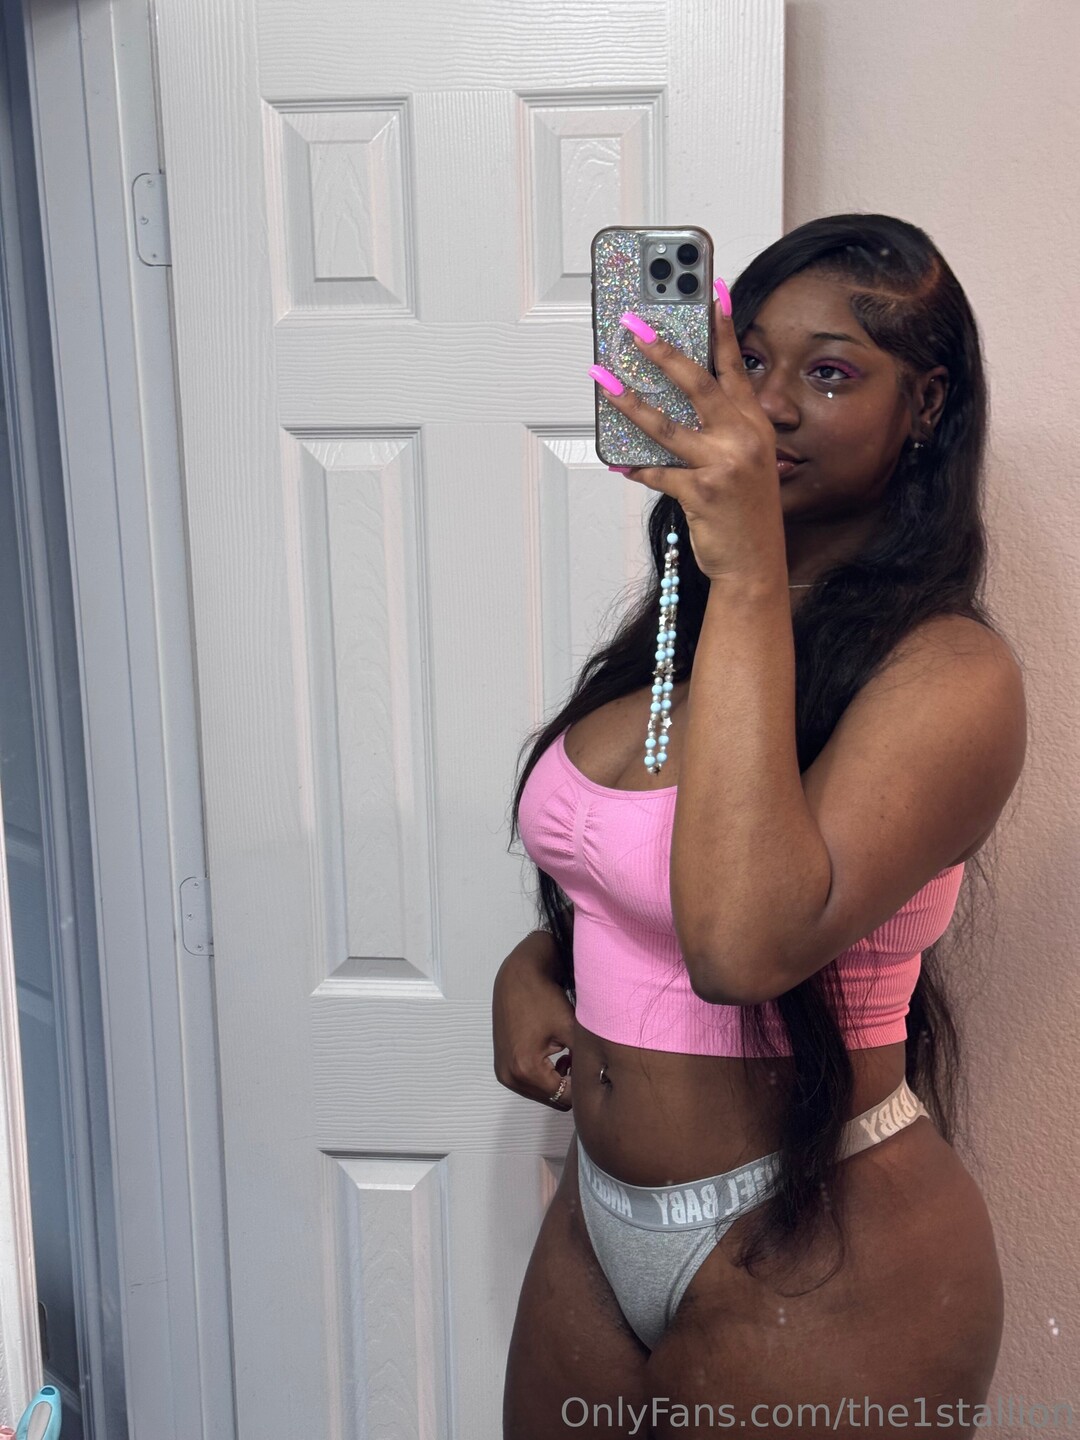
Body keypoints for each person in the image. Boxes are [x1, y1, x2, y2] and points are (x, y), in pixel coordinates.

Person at [495, 214, 1027, 1439]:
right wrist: (537, 964)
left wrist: (741, 567)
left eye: (830, 373)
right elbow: (633, 871)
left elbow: (743, 944)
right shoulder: (682, 626)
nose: (769, 406)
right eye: (749, 361)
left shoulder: (952, 672)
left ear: (925, 404)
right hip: (593, 1218)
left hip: (823, 1229)